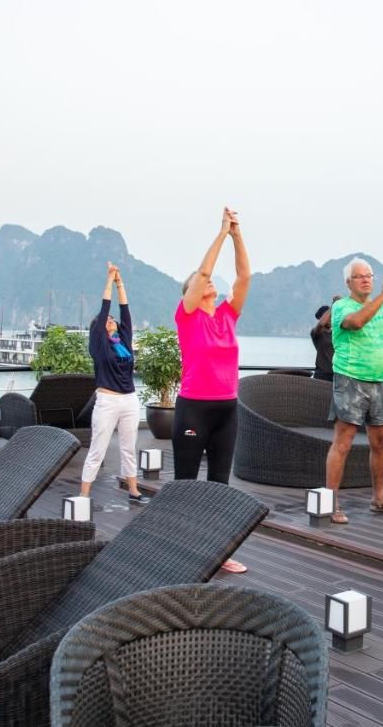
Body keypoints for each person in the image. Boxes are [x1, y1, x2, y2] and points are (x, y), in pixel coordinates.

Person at [174, 207, 251, 573]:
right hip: (194, 408)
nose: (207, 282)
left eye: (206, 281)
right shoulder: (187, 317)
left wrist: (237, 235)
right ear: (190, 292)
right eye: (199, 282)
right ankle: (179, 548)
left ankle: (218, 552)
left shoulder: (226, 316)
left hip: (226, 409)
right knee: (186, 485)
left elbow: (244, 276)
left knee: (220, 483)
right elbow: (204, 272)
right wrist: (220, 233)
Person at [325, 258, 383, 523]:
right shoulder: (341, 306)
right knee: (343, 442)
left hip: (379, 381)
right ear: (348, 282)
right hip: (349, 380)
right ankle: (331, 503)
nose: (366, 279)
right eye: (360, 276)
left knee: (381, 442)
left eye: (369, 276)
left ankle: (379, 498)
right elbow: (356, 322)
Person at [79, 262, 146, 504]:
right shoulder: (98, 345)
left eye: (112, 319)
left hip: (129, 400)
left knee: (129, 447)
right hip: (107, 400)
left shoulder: (123, 341)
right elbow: (106, 305)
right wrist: (109, 280)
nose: (110, 320)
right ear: (97, 329)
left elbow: (124, 309)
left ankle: (134, 490)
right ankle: (84, 494)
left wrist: (120, 283)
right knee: (98, 448)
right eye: (105, 319)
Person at [310, 296, 340, 381]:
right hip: (323, 374)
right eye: (328, 317)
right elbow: (321, 324)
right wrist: (333, 305)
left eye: (332, 316)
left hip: (338, 373)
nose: (330, 319)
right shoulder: (316, 333)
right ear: (321, 318)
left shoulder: (336, 333)